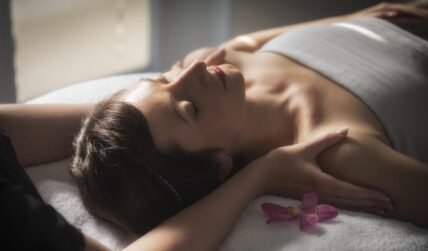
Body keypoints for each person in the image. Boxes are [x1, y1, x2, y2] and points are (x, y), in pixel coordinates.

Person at [0, 2, 427, 251]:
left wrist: (368, 15)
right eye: (189, 108)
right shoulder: (338, 148)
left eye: (164, 81)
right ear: (220, 166)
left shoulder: (226, 59)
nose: (194, 72)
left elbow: (251, 43)